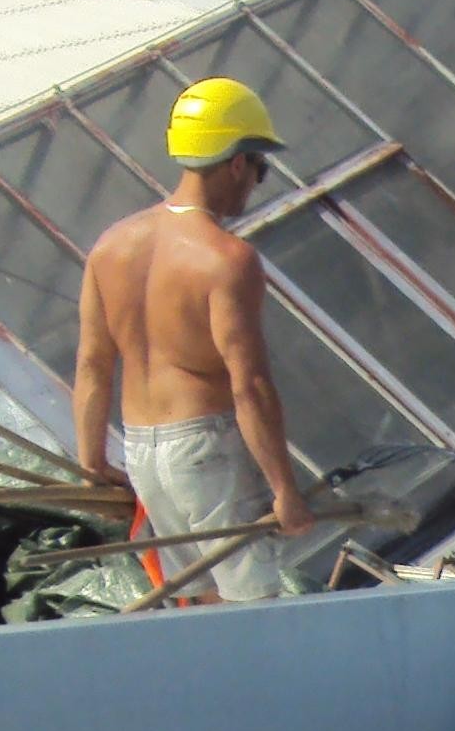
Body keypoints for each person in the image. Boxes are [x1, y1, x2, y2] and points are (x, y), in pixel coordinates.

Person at [72, 77, 313, 603]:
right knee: (254, 606)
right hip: (207, 450)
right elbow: (249, 385)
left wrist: (92, 462)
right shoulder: (226, 259)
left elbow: (92, 364)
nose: (256, 184)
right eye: (261, 169)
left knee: (200, 603)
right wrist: (284, 491)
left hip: (142, 450)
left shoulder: (110, 246)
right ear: (237, 162)